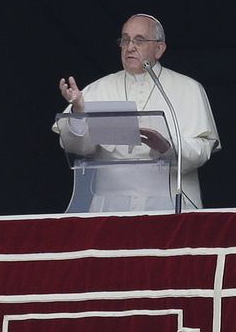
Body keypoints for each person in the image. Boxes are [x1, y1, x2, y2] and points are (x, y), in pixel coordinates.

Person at [57, 13, 220, 210]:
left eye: (139, 40)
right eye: (125, 40)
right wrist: (78, 112)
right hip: (110, 207)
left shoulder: (188, 88)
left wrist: (167, 146)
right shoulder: (98, 89)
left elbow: (203, 148)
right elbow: (78, 149)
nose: (130, 47)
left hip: (169, 205)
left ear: (159, 49)